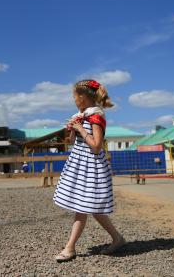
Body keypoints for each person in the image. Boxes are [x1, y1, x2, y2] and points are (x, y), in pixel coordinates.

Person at [53, 79, 125, 262]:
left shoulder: (96, 117)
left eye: (74, 97)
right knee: (92, 208)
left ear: (83, 97)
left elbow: (96, 147)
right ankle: (117, 239)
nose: (73, 100)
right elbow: (71, 143)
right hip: (80, 166)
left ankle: (70, 248)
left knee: (82, 207)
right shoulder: (82, 116)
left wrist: (80, 129)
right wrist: (71, 130)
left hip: (93, 168)